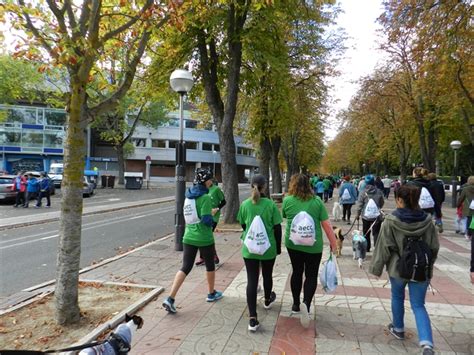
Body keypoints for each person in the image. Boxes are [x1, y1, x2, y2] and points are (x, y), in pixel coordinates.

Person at [369, 184, 439, 355]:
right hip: (420, 269)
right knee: (418, 305)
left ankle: (398, 328)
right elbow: (434, 247)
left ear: (399, 199)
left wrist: (376, 269)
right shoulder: (427, 221)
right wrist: (428, 266)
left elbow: (383, 246)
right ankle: (427, 344)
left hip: (397, 268)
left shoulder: (391, 220)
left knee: (397, 296)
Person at [162, 168, 223, 314]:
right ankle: (211, 293)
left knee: (185, 267)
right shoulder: (206, 198)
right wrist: (213, 212)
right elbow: (207, 220)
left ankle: (170, 298)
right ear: (206, 181)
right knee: (210, 265)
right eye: (210, 180)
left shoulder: (187, 197)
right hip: (204, 238)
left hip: (188, 237)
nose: (211, 182)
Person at [282, 174, 337, 328]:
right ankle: (306, 303)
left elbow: (285, 216)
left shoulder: (287, 200)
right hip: (314, 246)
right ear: (309, 185)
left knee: (297, 272)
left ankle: (295, 303)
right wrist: (334, 243)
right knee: (311, 275)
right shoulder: (317, 202)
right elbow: (326, 225)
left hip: (293, 244)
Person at [237, 174, 282, 332]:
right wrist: (277, 248)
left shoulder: (245, 205)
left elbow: (243, 225)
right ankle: (268, 300)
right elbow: (277, 227)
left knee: (252, 280)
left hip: (249, 249)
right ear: (264, 187)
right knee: (267, 275)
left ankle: (252, 318)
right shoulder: (270, 205)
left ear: (251, 186)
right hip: (268, 248)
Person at [195, 178, 226, 266]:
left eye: (209, 180)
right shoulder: (202, 189)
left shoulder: (216, 189)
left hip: (213, 217)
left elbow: (224, 201)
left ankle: (213, 256)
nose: (207, 182)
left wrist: (217, 209)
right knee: (202, 236)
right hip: (203, 216)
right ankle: (204, 258)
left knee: (206, 236)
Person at [355, 175, 384, 252]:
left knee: (366, 232)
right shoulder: (379, 191)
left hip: (366, 216)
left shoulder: (362, 192)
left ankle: (367, 247)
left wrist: (357, 214)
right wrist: (377, 207)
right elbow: (381, 203)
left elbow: (360, 204)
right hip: (376, 216)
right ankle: (376, 247)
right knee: (376, 232)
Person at [457, 175, 474, 283]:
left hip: (469, 209)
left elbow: (461, 198)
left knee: (469, 219)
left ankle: (469, 233)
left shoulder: (466, 189)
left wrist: (458, 204)